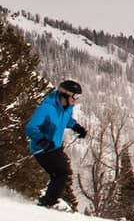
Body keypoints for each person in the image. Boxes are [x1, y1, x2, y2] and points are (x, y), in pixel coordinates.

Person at [25, 79, 88, 210]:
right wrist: (42, 140)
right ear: (65, 94)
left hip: (55, 147)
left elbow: (66, 120)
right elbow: (31, 127)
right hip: (42, 148)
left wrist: (76, 127)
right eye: (75, 96)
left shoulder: (66, 108)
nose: (75, 100)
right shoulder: (46, 108)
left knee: (61, 173)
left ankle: (50, 200)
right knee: (61, 173)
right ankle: (49, 201)